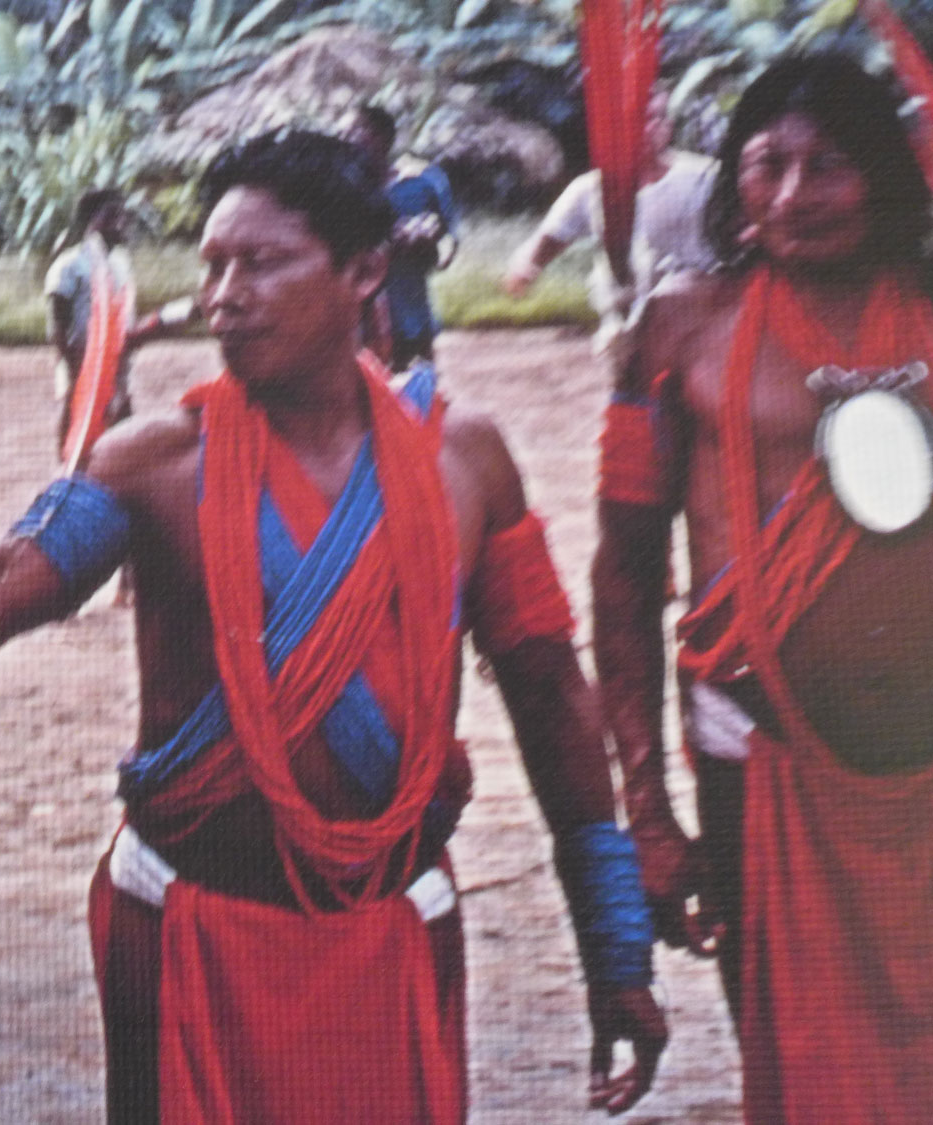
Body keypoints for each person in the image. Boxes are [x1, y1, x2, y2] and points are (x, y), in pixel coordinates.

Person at [0, 129, 665, 1122]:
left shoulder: (467, 462)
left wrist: (614, 945)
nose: (225, 295)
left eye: (261, 262)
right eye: (212, 265)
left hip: (391, 930)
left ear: (365, 270)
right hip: (190, 930)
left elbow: (553, 693)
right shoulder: (153, 462)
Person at [592, 53, 933, 1122]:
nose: (790, 195)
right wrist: (645, 808)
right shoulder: (679, 328)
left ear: (884, 174)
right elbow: (624, 573)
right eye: (765, 164)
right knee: (798, 1073)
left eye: (827, 166)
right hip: (759, 756)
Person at [503, 87, 717, 360]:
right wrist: (527, 268)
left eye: (656, 118)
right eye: (638, 119)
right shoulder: (591, 190)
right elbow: (549, 238)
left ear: (668, 126)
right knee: (632, 393)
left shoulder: (704, 178)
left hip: (696, 316)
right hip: (627, 325)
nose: (648, 128)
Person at [346, 104, 460, 371]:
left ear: (381, 138)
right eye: (343, 133)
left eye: (354, 132)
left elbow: (448, 243)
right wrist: (386, 242)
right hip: (356, 327)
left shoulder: (423, 180)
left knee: (416, 399)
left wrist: (427, 240)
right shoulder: (341, 187)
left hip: (411, 318)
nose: (346, 140)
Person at [45, 189, 139, 462]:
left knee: (121, 416)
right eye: (111, 216)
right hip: (80, 361)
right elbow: (57, 323)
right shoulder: (69, 265)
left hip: (115, 361)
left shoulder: (121, 264)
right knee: (76, 413)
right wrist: (72, 365)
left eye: (122, 216)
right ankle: (68, 473)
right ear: (91, 221)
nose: (120, 223)